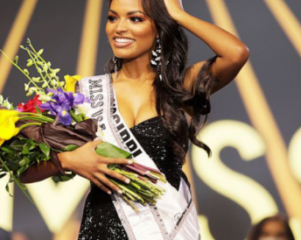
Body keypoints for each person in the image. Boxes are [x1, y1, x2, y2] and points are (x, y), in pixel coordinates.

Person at [56, 0, 249, 239]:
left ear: (159, 26)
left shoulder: (180, 87)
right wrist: (66, 160)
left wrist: (177, 14)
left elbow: (236, 53)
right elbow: (28, 170)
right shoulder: (84, 92)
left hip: (167, 230)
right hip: (102, 229)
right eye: (113, 18)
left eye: (135, 19)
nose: (119, 28)